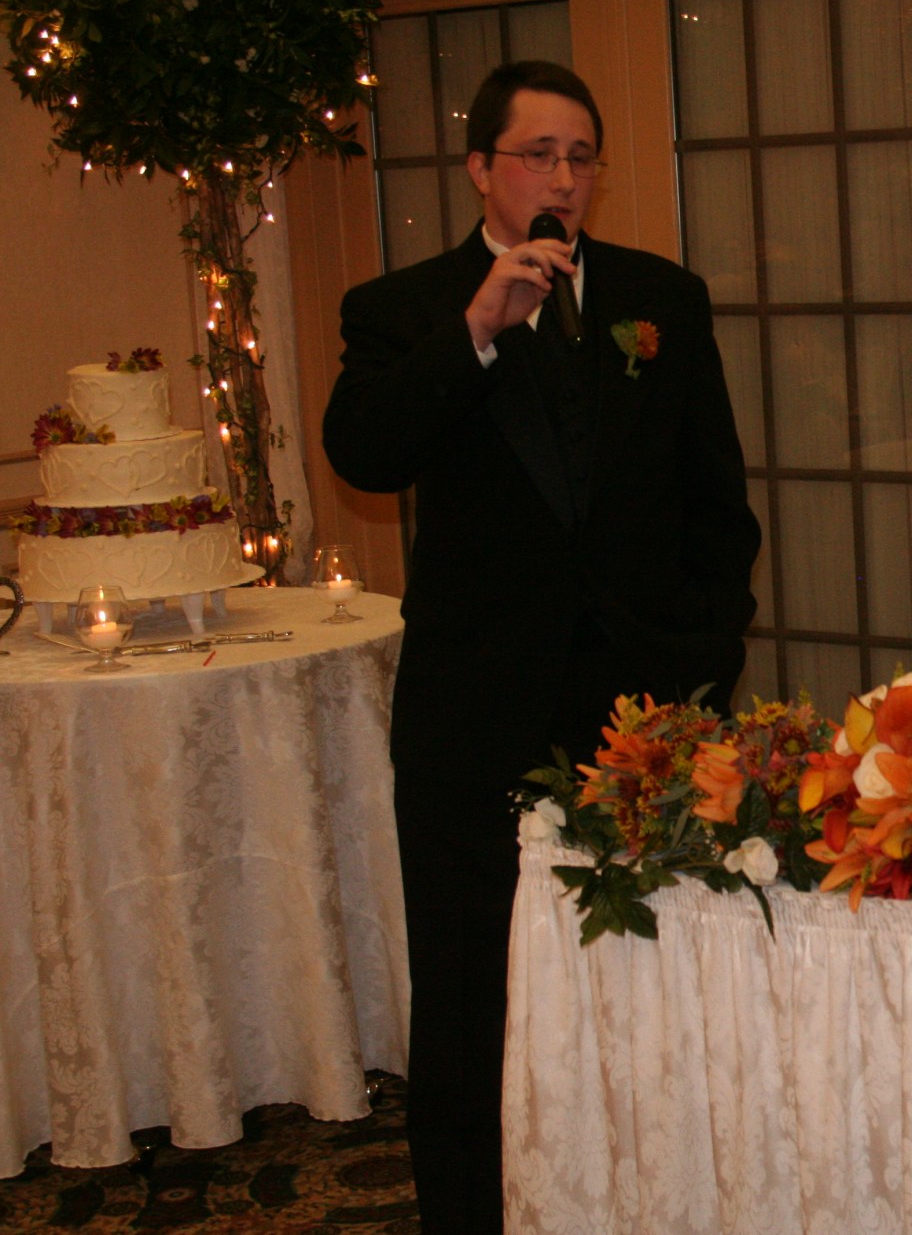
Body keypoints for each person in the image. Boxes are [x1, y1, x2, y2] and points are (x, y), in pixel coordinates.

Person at [322, 61, 760, 1233]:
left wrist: (702, 660)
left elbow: (717, 502)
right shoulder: (403, 307)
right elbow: (363, 454)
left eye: (580, 157)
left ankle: (655, 1198)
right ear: (480, 169)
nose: (562, 178)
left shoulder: (660, 296)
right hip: (477, 707)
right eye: (537, 156)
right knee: (472, 981)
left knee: (654, 965)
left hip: (646, 707)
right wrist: (477, 328)